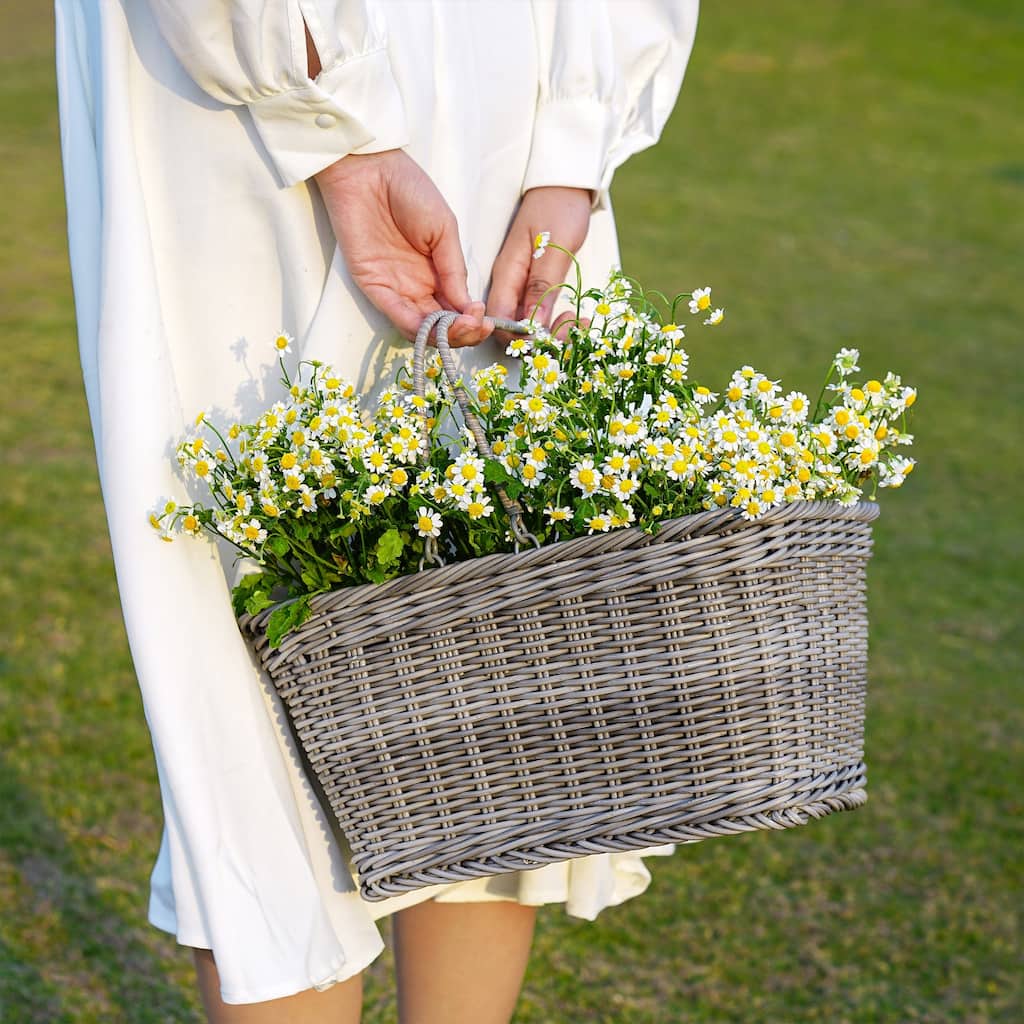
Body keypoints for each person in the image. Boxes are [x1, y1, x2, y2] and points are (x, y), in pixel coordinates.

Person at [54, 0, 700, 1020]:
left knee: (497, 657)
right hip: (248, 101)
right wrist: (337, 129)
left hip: (492, 81)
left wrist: (573, 145)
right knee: (264, 692)